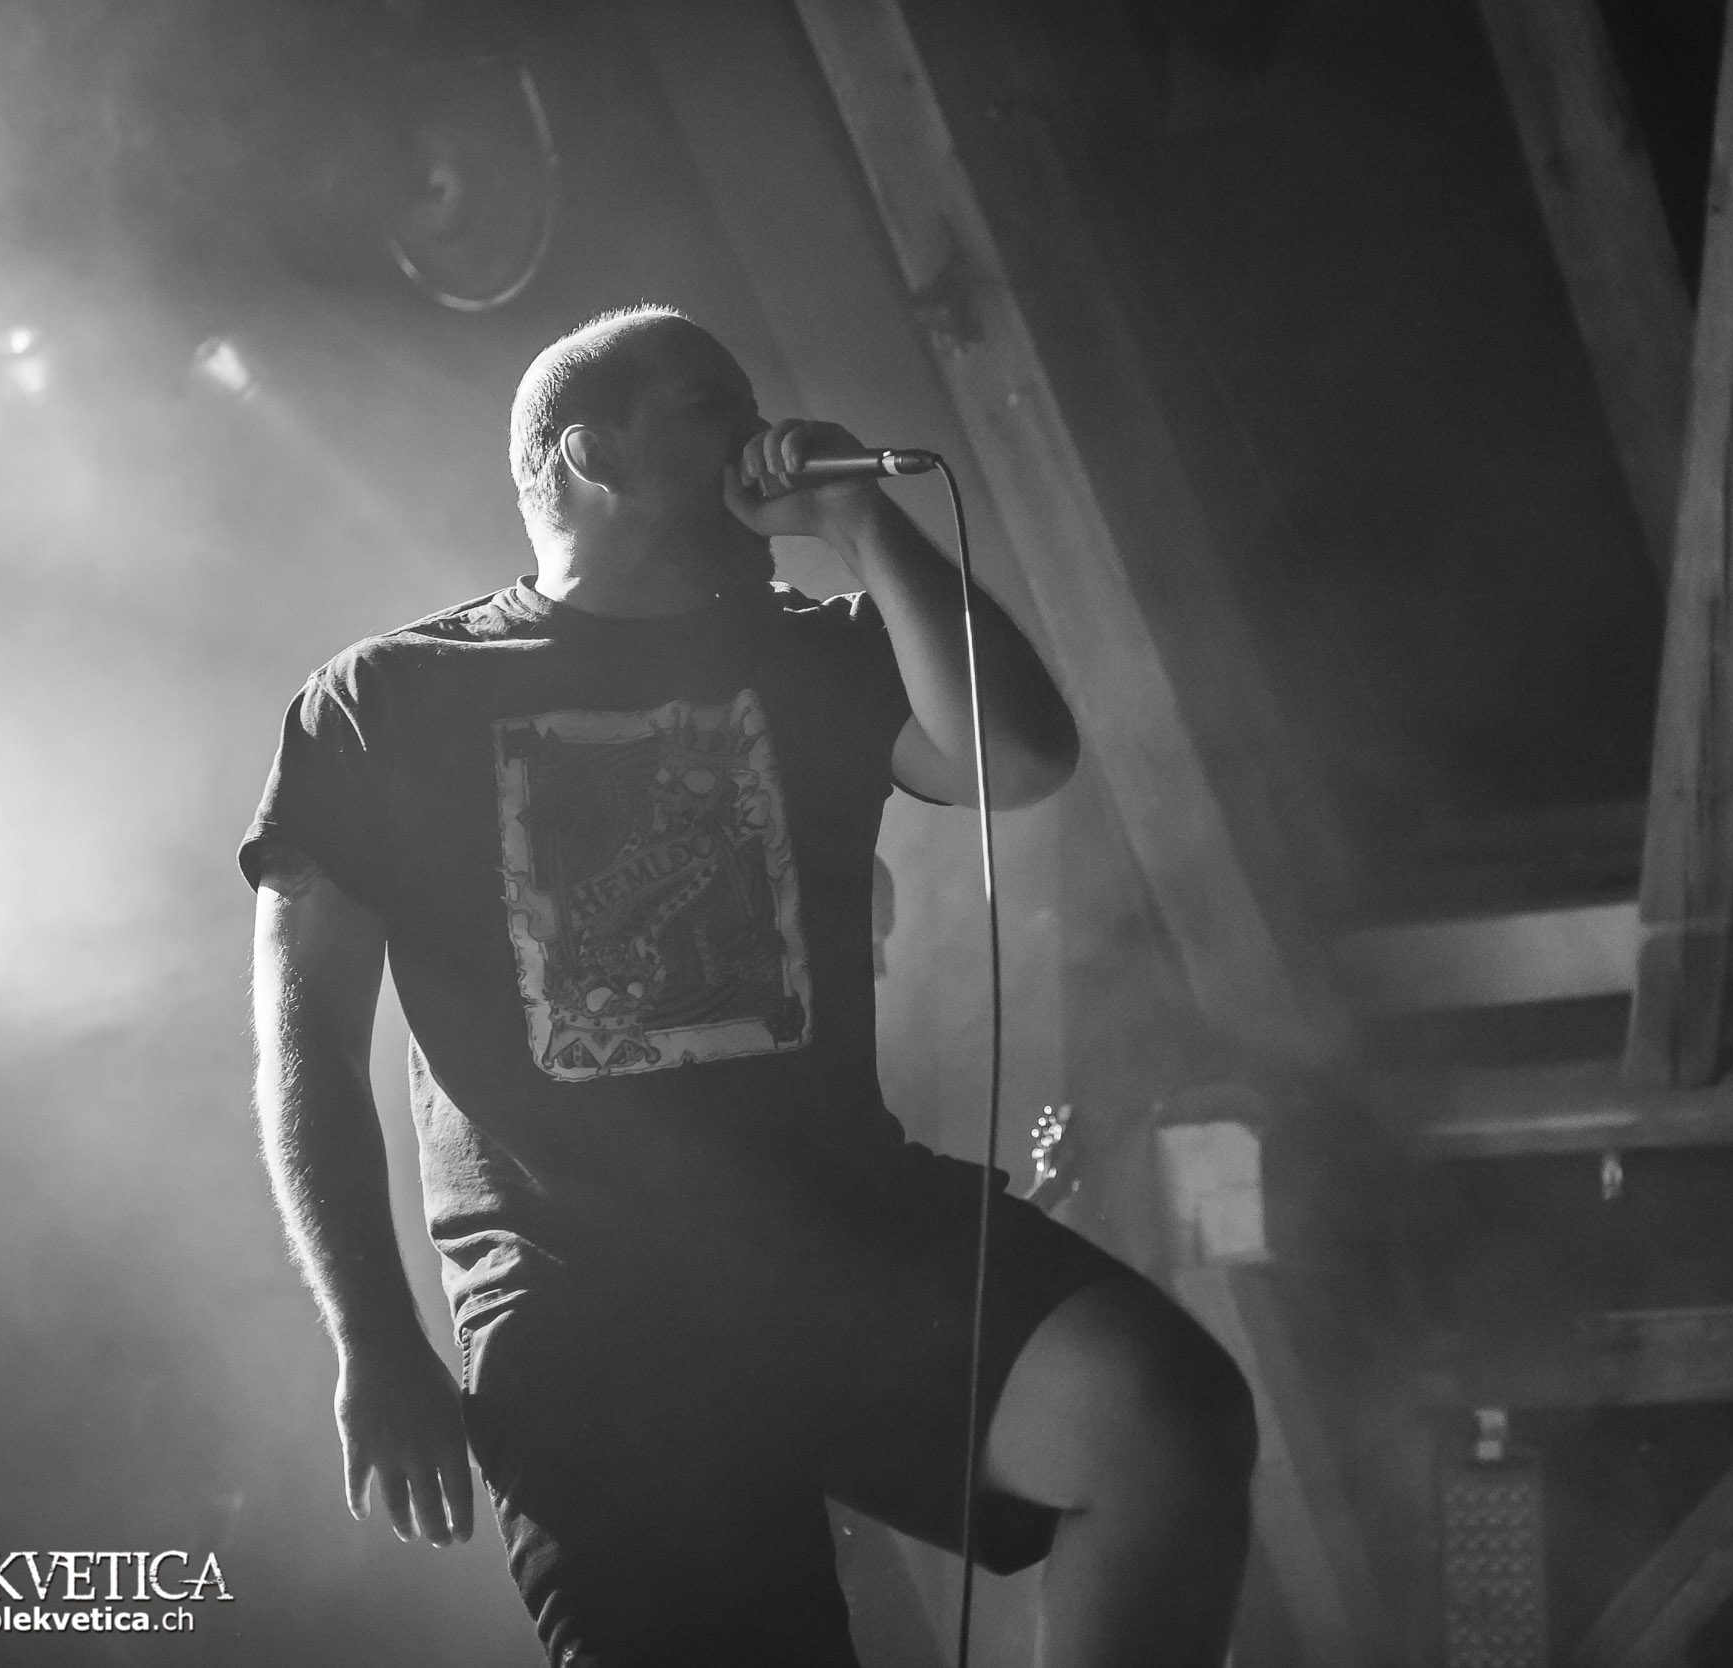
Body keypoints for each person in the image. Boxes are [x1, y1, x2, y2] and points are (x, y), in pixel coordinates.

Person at [242, 305, 1256, 1668]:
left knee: (1166, 1421)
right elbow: (307, 1048)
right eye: (709, 405)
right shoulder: (385, 700)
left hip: (843, 1233)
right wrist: (374, 1335)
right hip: (591, 1313)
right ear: (594, 456)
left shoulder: (816, 650)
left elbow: (1022, 758)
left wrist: (863, 525)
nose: (758, 432)